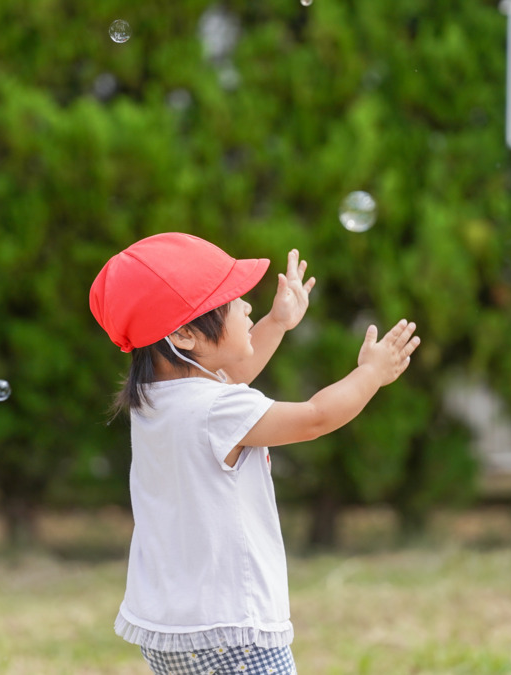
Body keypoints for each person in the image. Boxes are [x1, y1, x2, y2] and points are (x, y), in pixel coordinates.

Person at [89, 232, 419, 675]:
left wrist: (277, 322)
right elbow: (316, 417)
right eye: (232, 301)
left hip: (170, 629)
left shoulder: (157, 399)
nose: (247, 307)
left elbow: (231, 370)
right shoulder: (216, 409)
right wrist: (370, 374)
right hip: (232, 633)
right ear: (185, 334)